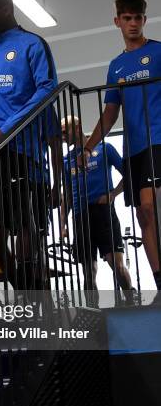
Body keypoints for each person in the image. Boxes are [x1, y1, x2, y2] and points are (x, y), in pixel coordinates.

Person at [0, 0, 60, 291]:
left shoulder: (33, 44)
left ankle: (32, 278)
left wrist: (8, 127)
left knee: (21, 220)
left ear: (7, 9)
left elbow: (47, 88)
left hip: (20, 144)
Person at [83, 0, 161, 290]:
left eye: (137, 18)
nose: (132, 23)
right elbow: (110, 113)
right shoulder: (116, 67)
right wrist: (88, 146)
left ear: (144, 19)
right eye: (126, 18)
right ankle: (158, 281)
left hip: (159, 141)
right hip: (134, 149)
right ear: (117, 21)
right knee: (143, 215)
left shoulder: (157, 53)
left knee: (150, 205)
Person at [60, 116, 133, 295]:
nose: (61, 136)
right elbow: (67, 195)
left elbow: (129, 173)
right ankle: (94, 313)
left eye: (64, 132)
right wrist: (62, 225)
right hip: (80, 216)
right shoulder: (66, 160)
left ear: (77, 128)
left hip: (103, 212)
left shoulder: (105, 148)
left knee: (116, 264)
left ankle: (131, 297)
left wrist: (113, 194)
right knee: (88, 272)